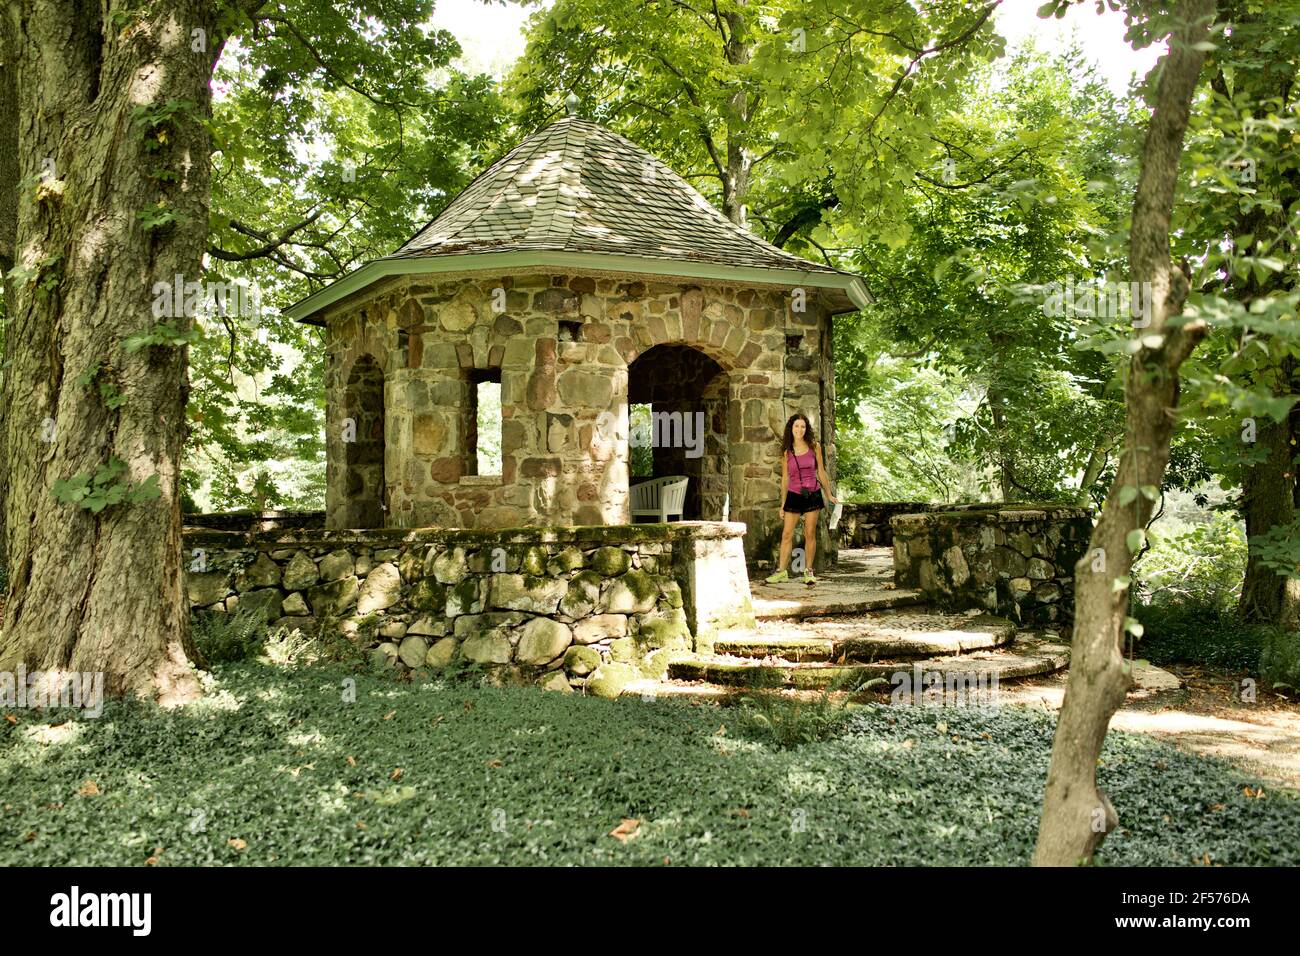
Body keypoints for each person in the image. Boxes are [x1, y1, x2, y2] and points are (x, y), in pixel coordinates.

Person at [765, 412, 838, 586]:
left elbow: (821, 471)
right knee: (786, 534)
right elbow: (785, 479)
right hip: (794, 495)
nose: (800, 429)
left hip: (812, 494)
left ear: (806, 429)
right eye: (797, 426)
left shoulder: (814, 446)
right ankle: (781, 572)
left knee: (810, 533)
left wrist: (828, 494)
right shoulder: (787, 451)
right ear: (791, 428)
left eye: (803, 426)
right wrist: (783, 503)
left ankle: (809, 571)